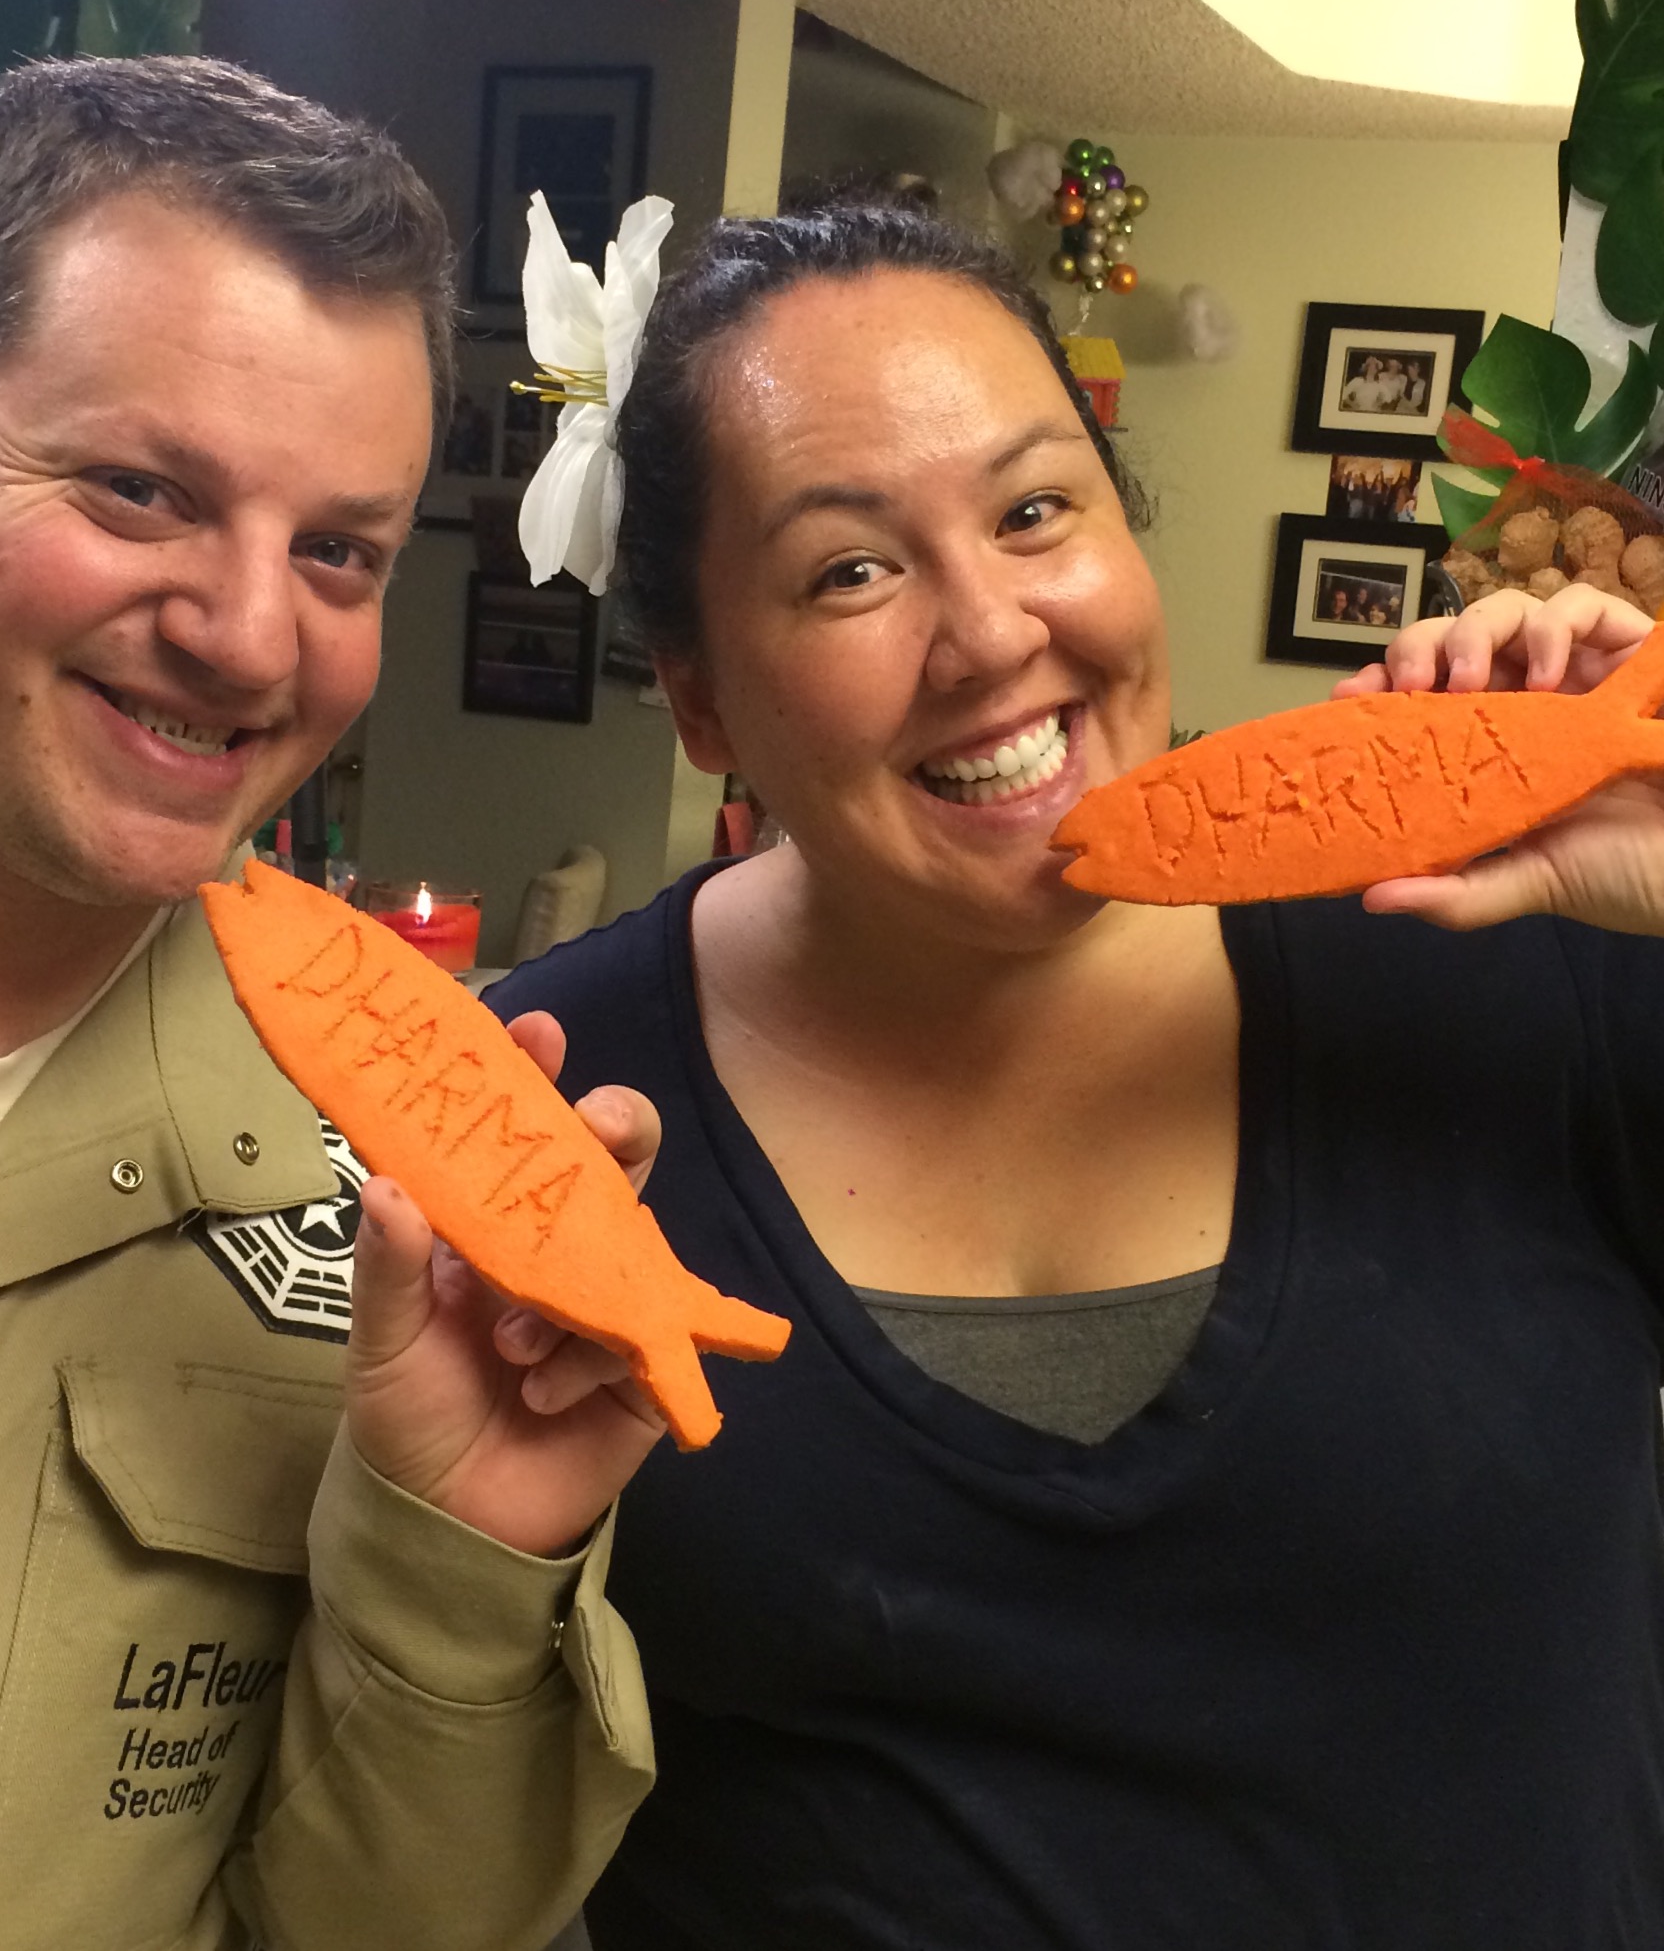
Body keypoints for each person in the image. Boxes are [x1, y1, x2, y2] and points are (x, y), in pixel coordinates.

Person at [489, 198, 1664, 1951]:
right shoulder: (550, 1101)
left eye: (1036, 510)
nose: (988, 632)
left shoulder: (1512, 948)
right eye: (849, 570)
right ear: (703, 701)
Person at [0, 57, 661, 1951]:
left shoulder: (379, 1190)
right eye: (141, 490)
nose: (253, 636)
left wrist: (458, 1554)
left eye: (337, 549)